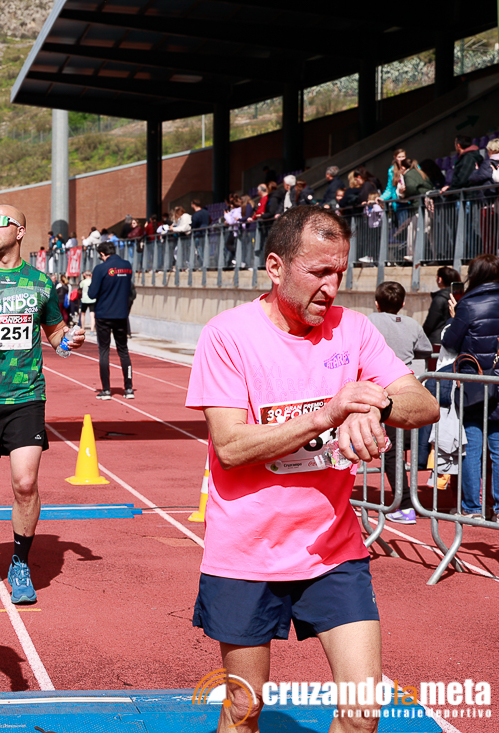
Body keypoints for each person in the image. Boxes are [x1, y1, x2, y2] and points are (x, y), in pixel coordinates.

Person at [185, 206, 437, 732]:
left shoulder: (355, 330)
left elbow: (423, 404)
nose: (331, 287)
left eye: (339, 272)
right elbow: (229, 446)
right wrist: (327, 414)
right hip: (247, 554)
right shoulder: (227, 335)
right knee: (244, 710)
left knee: (363, 712)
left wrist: (378, 407)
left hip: (333, 551)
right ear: (276, 267)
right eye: (318, 271)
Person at [0, 204, 84, 605]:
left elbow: (55, 332)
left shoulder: (40, 283)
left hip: (26, 397)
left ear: (20, 231)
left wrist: (67, 341)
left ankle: (20, 562)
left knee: (25, 484)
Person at [367, 281, 433, 524]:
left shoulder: (370, 321)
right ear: (403, 303)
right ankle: (406, 501)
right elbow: (426, 349)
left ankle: (404, 504)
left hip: (382, 391)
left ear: (377, 303)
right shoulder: (412, 324)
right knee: (404, 448)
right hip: (407, 388)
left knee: (392, 450)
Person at [441, 253, 499, 520]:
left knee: (471, 448)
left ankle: (472, 508)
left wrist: (454, 317)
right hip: (496, 381)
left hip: (474, 384)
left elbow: (451, 343)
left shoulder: (469, 304)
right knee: (497, 449)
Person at [88, 241, 136, 400]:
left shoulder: (101, 268)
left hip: (104, 314)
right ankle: (129, 388)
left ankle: (106, 390)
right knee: (123, 351)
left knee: (104, 351)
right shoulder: (127, 266)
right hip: (121, 314)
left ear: (102, 254)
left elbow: (92, 294)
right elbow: (128, 289)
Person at [422, 266, 460, 343]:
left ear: (440, 279)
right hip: (455, 338)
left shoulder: (440, 299)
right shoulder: (460, 298)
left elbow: (430, 324)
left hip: (437, 340)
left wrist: (421, 337)